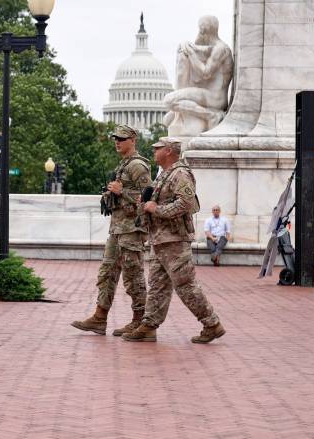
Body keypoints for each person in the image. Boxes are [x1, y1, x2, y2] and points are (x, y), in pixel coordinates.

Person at [122, 137, 225, 343]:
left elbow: (186, 204)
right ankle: (149, 325)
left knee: (185, 285)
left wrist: (157, 209)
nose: (154, 151)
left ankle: (212, 324)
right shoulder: (165, 175)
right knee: (157, 285)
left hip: (175, 241)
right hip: (160, 239)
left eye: (157, 148)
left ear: (168, 151)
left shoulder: (180, 173)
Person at [71, 124, 152, 336]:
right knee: (107, 272)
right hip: (117, 229)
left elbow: (148, 201)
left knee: (133, 276)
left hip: (132, 230)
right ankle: (99, 317)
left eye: (122, 138)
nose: (117, 141)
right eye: (115, 138)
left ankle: (139, 320)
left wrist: (122, 191)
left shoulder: (138, 166)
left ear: (133, 140)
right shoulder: (123, 165)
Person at [163, 15, 234, 136]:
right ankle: (184, 116)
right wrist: (187, 46)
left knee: (169, 100)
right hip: (210, 96)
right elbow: (197, 45)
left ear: (202, 29)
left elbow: (205, 73)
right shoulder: (216, 47)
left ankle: (210, 116)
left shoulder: (221, 49)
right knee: (168, 116)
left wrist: (190, 52)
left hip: (215, 98)